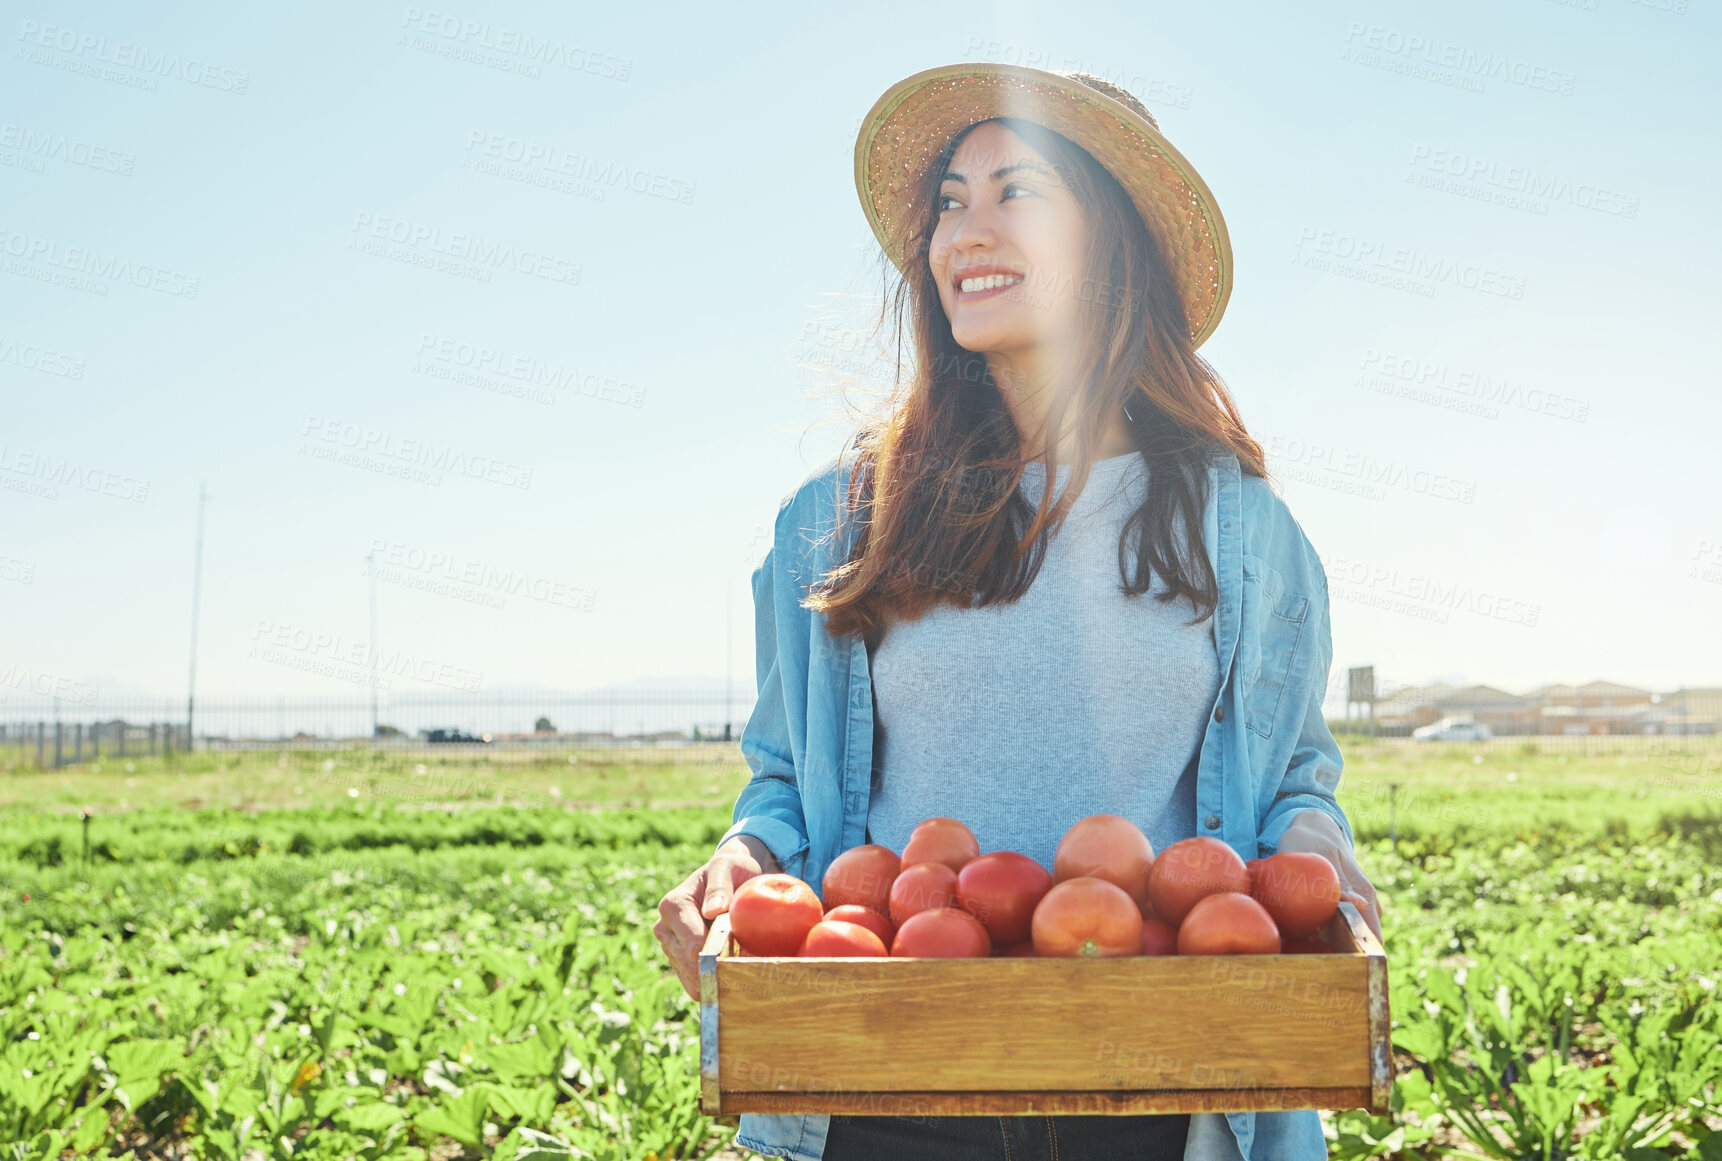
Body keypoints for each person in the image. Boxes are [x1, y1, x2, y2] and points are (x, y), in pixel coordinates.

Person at [654, 62, 1382, 1161]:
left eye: (1016, 191)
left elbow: (1287, 782)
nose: (965, 232)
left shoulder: (1241, 531)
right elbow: (783, 780)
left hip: (1156, 1076)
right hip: (888, 1070)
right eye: (950, 200)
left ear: (1116, 246)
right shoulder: (843, 521)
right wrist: (744, 859)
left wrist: (1323, 869)